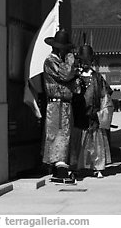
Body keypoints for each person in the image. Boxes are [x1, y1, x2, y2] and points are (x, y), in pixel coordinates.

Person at [70, 45, 114, 178]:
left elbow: (105, 95)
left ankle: (98, 166)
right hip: (79, 113)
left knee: (96, 141)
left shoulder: (97, 77)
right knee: (78, 140)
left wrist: (102, 111)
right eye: (83, 60)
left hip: (94, 113)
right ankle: (76, 166)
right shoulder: (75, 77)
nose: (85, 63)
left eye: (88, 60)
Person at [42, 29, 80, 183]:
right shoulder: (51, 62)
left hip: (65, 104)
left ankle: (62, 165)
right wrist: (71, 61)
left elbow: (74, 82)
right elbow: (66, 74)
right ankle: (59, 165)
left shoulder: (60, 61)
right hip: (56, 104)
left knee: (65, 134)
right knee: (58, 133)